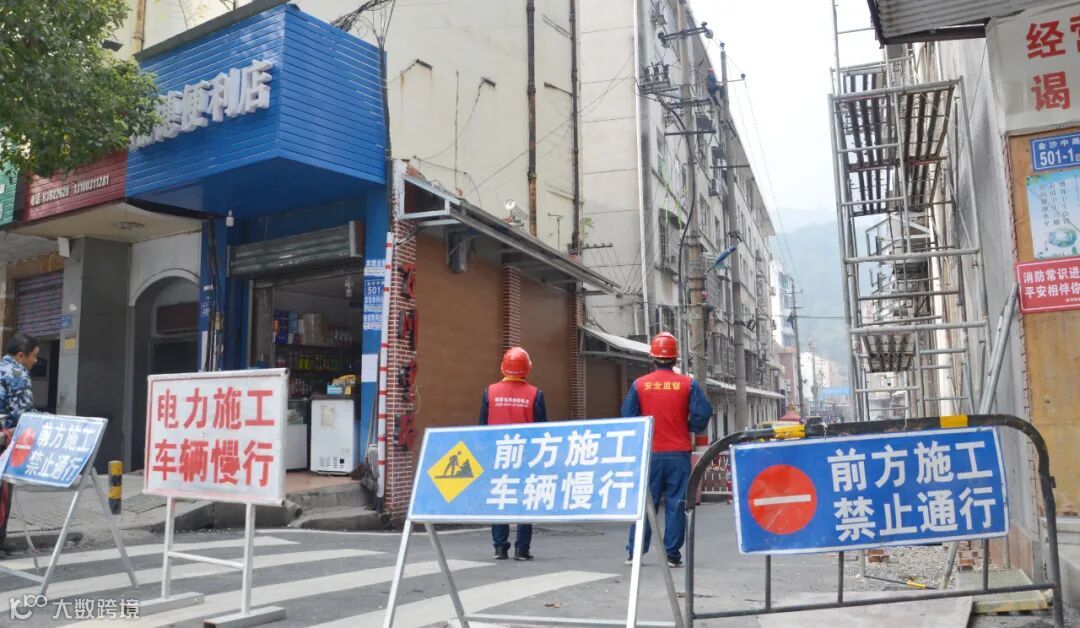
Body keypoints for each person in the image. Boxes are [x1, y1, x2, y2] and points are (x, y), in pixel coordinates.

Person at [621, 332, 711, 568]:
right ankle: (672, 554)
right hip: (678, 453)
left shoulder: (640, 385)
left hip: (649, 454)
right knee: (676, 503)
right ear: (675, 358)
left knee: (645, 504)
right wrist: (689, 426)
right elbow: (703, 413)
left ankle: (635, 552)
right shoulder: (688, 384)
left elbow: (628, 416)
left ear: (652, 357)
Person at [479, 346, 547, 561]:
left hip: (497, 455)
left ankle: (500, 548)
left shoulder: (490, 392)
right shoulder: (535, 394)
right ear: (527, 368)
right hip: (526, 456)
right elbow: (543, 430)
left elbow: (482, 427)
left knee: (500, 498)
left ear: (503, 367)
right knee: (524, 501)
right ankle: (522, 550)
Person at [0, 332, 39, 551]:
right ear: (21, 355)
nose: (35, 361)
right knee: (2, 492)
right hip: (2, 440)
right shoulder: (18, 373)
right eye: (34, 356)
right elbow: (22, 414)